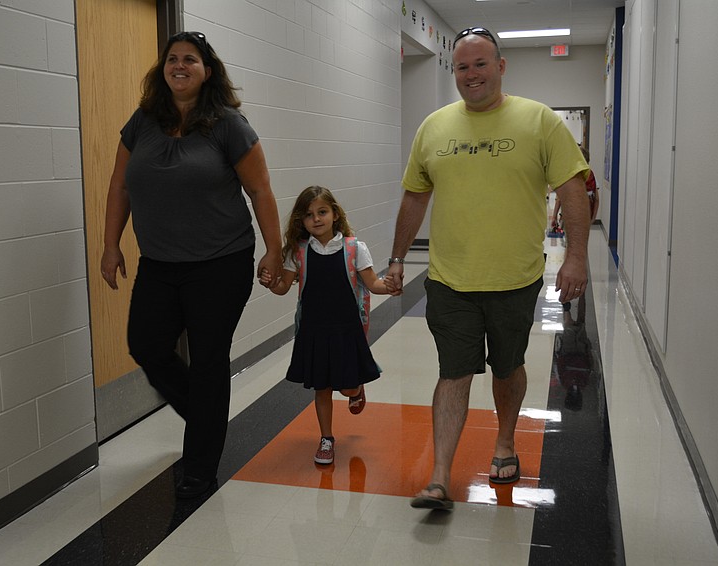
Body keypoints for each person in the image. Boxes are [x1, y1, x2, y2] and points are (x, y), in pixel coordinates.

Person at [388, 27, 591, 510]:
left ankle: (504, 442)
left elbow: (572, 190)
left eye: (481, 64)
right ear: (452, 71)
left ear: (501, 66)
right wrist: (397, 258)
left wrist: (577, 256)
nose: (471, 74)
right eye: (462, 66)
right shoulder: (433, 127)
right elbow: (415, 198)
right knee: (453, 372)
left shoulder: (538, 121)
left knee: (507, 366)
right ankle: (439, 476)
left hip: (514, 279)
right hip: (449, 279)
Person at [100, 31, 283, 499]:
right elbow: (120, 186)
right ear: (163, 68)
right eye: (173, 59)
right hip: (159, 263)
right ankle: (206, 419)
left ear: (207, 71)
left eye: (191, 60)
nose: (180, 66)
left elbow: (260, 191)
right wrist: (111, 244)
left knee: (206, 362)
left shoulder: (227, 124)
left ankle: (200, 467)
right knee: (146, 344)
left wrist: (275, 250)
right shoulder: (142, 121)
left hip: (220, 263)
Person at [260, 186, 398, 465]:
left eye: (322, 212)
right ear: (302, 221)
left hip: (346, 329)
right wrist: (271, 283)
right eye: (309, 215)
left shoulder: (354, 248)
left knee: (345, 387)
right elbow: (284, 287)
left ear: (335, 214)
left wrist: (390, 287)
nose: (317, 219)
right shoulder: (298, 252)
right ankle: (326, 438)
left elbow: (372, 283)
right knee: (321, 387)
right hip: (314, 330)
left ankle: (355, 389)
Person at [553, 145, 600, 229]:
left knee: (569, 240)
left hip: (569, 216)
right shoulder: (591, 175)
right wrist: (593, 218)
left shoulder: (569, 175)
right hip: (586, 217)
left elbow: (560, 199)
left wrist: (554, 216)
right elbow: (596, 199)